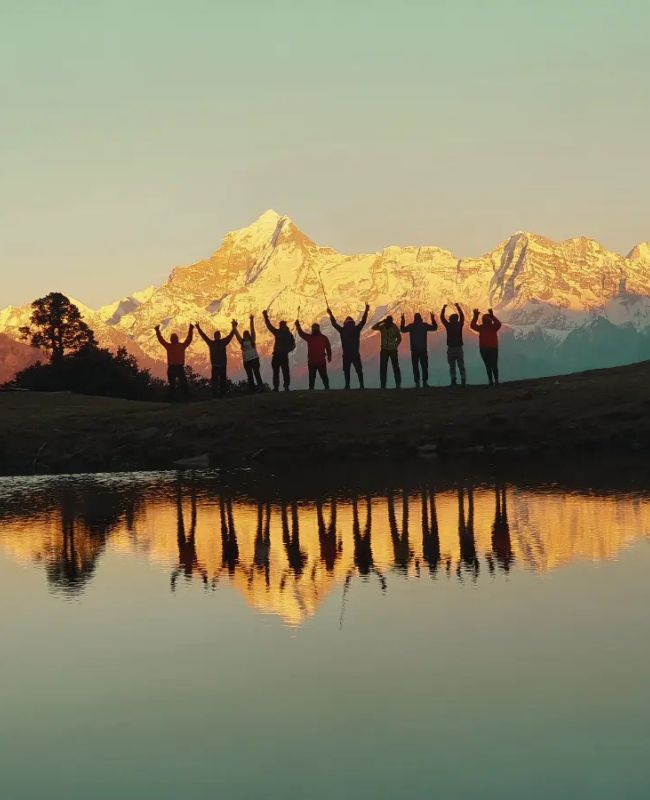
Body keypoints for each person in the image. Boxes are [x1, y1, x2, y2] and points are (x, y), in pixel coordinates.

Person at [327, 303, 369, 389]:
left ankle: (347, 385)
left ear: (345, 323)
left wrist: (330, 314)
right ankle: (361, 385)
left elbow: (334, 324)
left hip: (346, 355)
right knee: (359, 370)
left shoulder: (342, 330)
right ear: (353, 322)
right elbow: (363, 321)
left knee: (346, 371)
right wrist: (366, 310)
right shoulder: (356, 329)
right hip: (355, 354)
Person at [155, 323, 193, 401]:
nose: (173, 339)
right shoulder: (178, 346)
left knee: (178, 385)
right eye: (173, 338)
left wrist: (191, 329)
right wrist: (157, 331)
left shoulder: (171, 346)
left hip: (175, 368)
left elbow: (161, 340)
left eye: (174, 338)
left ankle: (179, 400)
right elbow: (188, 340)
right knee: (177, 385)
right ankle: (182, 399)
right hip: (176, 368)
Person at [195, 321, 235, 397]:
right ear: (218, 336)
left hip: (217, 365)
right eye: (217, 335)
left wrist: (198, 328)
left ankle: (217, 395)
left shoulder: (212, 343)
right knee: (220, 381)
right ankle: (221, 395)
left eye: (217, 335)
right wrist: (234, 327)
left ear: (217, 336)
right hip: (219, 365)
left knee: (217, 382)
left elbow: (204, 337)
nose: (217, 336)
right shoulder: (221, 342)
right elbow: (230, 336)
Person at [400, 312, 438, 387]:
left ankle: (417, 383)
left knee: (415, 366)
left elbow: (402, 330)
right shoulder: (424, 325)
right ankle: (424, 382)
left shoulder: (412, 326)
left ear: (414, 318)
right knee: (424, 366)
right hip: (422, 349)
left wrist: (403, 320)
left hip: (414, 350)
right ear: (421, 318)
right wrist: (433, 318)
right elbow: (434, 328)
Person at [262, 309, 295, 391]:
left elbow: (269, 326)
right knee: (284, 372)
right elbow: (293, 345)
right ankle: (284, 387)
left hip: (278, 355)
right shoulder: (288, 334)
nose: (281, 326)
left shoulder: (279, 332)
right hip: (281, 355)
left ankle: (278, 387)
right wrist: (288, 349)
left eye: (281, 325)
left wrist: (265, 316)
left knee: (278, 372)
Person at [295, 319, 332, 389]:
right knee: (323, 376)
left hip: (313, 362)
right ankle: (327, 387)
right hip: (320, 361)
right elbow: (328, 348)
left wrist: (298, 326)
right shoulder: (323, 338)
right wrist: (329, 357)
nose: (315, 329)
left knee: (313, 377)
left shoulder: (310, 338)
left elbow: (301, 334)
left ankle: (312, 389)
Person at [470, 307, 502, 386]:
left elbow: (473, 325)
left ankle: (492, 381)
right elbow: (498, 324)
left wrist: (475, 317)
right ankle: (494, 381)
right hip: (492, 348)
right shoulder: (492, 327)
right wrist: (492, 316)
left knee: (489, 366)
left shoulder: (482, 328)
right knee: (492, 365)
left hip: (485, 349)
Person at [232, 315, 263, 392]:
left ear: (248, 335)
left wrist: (251, 321)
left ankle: (260, 387)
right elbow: (236, 334)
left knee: (256, 373)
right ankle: (252, 389)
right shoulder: (242, 342)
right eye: (244, 335)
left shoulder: (252, 340)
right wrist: (234, 326)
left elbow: (253, 330)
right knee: (250, 375)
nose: (245, 336)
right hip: (247, 361)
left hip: (254, 359)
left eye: (246, 334)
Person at [371, 315, 402, 389]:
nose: (388, 323)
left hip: (391, 350)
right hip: (385, 350)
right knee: (384, 368)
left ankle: (397, 384)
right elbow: (373, 327)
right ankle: (383, 385)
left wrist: (395, 345)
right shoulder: (383, 327)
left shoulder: (394, 327)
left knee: (394, 367)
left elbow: (399, 338)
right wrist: (382, 322)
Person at [440, 303, 466, 386]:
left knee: (452, 366)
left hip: (452, 348)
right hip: (457, 348)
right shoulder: (459, 324)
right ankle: (462, 379)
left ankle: (454, 380)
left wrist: (444, 308)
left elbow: (442, 318)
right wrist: (458, 307)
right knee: (460, 365)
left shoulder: (449, 325)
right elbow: (462, 316)